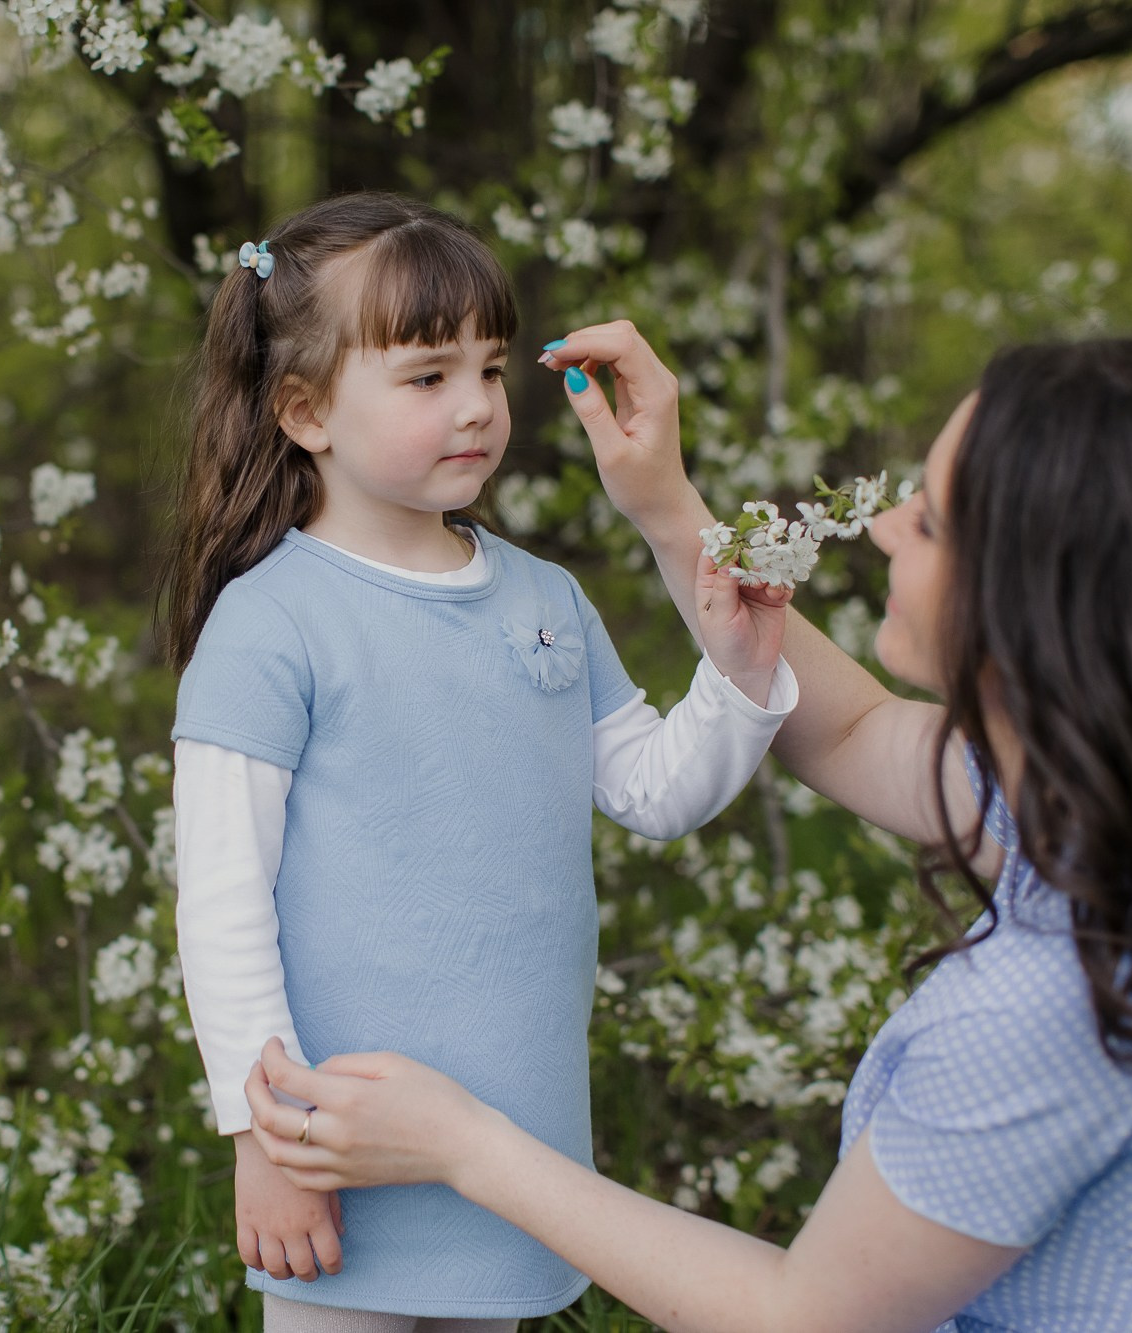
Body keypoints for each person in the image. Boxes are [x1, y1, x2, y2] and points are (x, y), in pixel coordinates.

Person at [245, 325, 1132, 1332]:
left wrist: (464, 1145)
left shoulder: (1049, 1007)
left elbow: (800, 1317)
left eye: (929, 520)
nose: (882, 526)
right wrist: (664, 504)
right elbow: (848, 736)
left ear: (1045, 611)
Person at [157, 199, 800, 1332]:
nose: (475, 408)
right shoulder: (271, 625)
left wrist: (735, 673)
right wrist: (269, 1140)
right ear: (305, 410)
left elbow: (651, 789)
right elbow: (220, 902)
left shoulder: (544, 596)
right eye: (424, 377)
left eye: (491, 370)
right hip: (339, 1158)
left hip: (514, 1143)